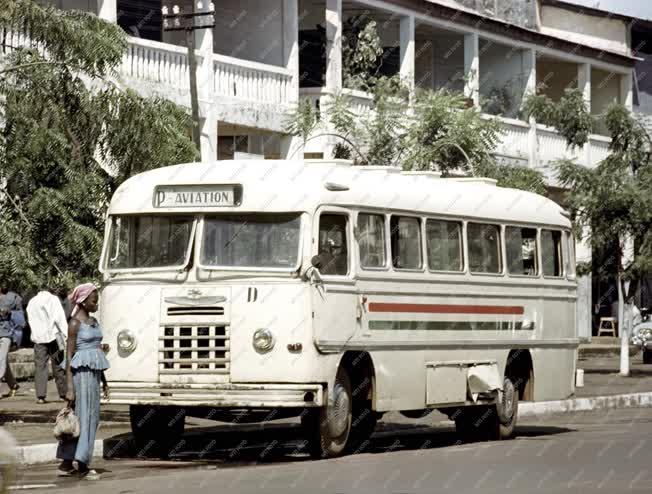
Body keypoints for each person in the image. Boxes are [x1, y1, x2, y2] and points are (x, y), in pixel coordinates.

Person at [56, 283, 109, 479]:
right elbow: (69, 355)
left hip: (93, 378)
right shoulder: (74, 324)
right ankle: (83, 465)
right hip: (80, 379)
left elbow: (96, 354)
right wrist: (70, 387)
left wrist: (104, 380)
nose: (96, 303)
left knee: (88, 419)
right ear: (83, 301)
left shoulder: (93, 322)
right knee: (83, 419)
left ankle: (66, 463)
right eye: (93, 300)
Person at [26, 288, 69, 404]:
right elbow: (60, 318)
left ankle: (40, 396)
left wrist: (35, 333)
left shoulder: (32, 302)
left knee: (40, 366)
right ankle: (63, 394)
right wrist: (66, 334)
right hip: (56, 335)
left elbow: (30, 320)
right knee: (59, 364)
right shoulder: (54, 299)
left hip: (38, 337)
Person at [0, 287, 22, 399]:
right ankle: (13, 385)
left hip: (6, 333)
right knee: (3, 361)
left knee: (1, 359)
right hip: (5, 333)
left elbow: (19, 317)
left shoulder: (12, 299)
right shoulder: (13, 298)